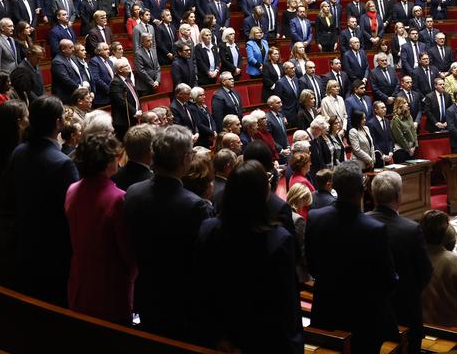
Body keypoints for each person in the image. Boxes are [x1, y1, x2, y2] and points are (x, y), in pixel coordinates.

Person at [193, 160, 303, 352]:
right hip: (263, 340)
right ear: (264, 194)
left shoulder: (208, 229)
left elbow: (201, 289)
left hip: (219, 338)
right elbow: (286, 306)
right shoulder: (278, 240)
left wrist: (217, 338)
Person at [123, 125, 211, 342]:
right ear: (184, 160)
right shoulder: (196, 206)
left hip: (146, 293)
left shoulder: (133, 192)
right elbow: (203, 262)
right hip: (183, 303)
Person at [306, 160, 398, 354]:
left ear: (335, 187)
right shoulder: (375, 229)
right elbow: (388, 279)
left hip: (326, 310)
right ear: (363, 188)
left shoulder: (315, 217)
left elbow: (312, 266)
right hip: (363, 320)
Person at [0, 96, 79, 305]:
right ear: (59, 123)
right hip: (54, 251)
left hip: (24, 243)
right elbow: (72, 212)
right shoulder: (63, 163)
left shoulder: (19, 151)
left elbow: (8, 196)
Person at [64, 131, 135, 323]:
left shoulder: (72, 189)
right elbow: (126, 251)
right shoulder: (118, 197)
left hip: (79, 280)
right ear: (106, 162)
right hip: (108, 287)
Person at [369, 170, 432, 352]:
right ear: (399, 196)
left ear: (373, 195)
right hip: (405, 308)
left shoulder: (361, 222)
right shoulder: (411, 230)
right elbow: (425, 272)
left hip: (370, 309)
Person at [419, 210, 457, 329]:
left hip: (419, 325)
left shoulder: (413, 255)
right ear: (444, 233)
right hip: (451, 328)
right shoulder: (454, 262)